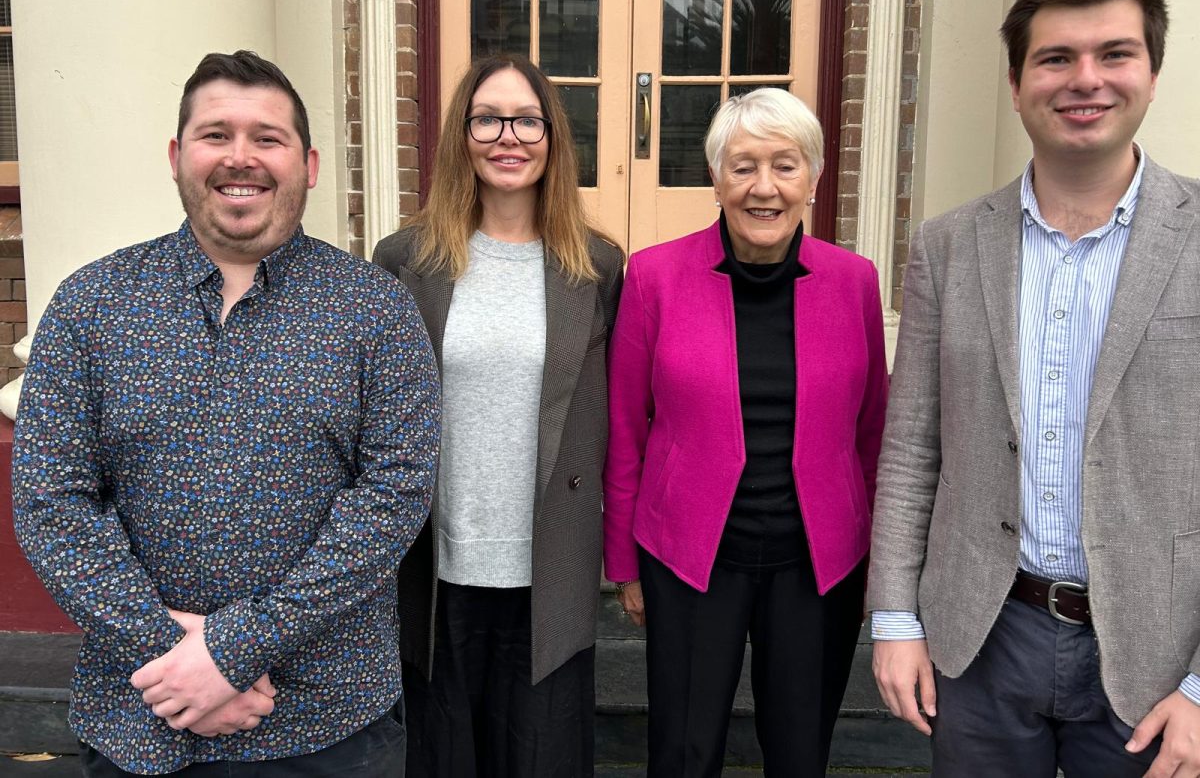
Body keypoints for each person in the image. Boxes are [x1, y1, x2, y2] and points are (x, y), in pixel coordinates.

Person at [12, 50, 440, 777]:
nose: (240, 157)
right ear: (178, 156)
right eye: (216, 134)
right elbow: (50, 501)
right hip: (142, 717)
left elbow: (394, 497)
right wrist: (170, 657)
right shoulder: (91, 305)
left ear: (307, 164)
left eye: (266, 138)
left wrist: (232, 651)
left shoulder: (375, 311)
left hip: (329, 725)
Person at [868, 0, 1200, 777]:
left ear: (1152, 75)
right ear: (1016, 85)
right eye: (1056, 58)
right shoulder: (948, 246)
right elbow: (912, 449)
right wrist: (895, 621)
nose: (1085, 79)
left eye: (1114, 54)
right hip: (983, 636)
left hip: (1158, 654)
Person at [603, 88, 888, 776]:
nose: (764, 188)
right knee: (684, 747)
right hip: (691, 559)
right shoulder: (654, 276)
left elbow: (875, 430)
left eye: (785, 166)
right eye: (743, 166)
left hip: (818, 563)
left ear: (814, 179)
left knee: (799, 749)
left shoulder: (854, 281)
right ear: (716, 178)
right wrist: (624, 565)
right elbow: (623, 429)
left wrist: (882, 565)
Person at [372, 54, 623, 778]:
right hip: (439, 561)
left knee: (542, 756)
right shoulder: (405, 259)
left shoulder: (597, 266)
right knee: (443, 754)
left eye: (526, 120)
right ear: (462, 133)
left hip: (548, 562)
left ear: (552, 138)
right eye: (487, 118)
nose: (507, 136)